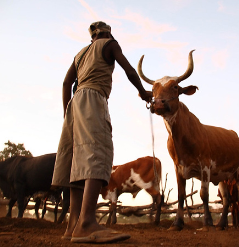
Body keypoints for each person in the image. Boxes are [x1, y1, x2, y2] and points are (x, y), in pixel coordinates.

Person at [51, 21, 152, 244]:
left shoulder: (80, 54)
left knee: (79, 161)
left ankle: (73, 225)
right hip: (94, 98)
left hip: (74, 104)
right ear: (107, 33)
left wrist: (68, 111)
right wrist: (143, 92)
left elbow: (67, 82)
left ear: (91, 37)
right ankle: (87, 223)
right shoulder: (110, 44)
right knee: (98, 153)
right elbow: (129, 70)